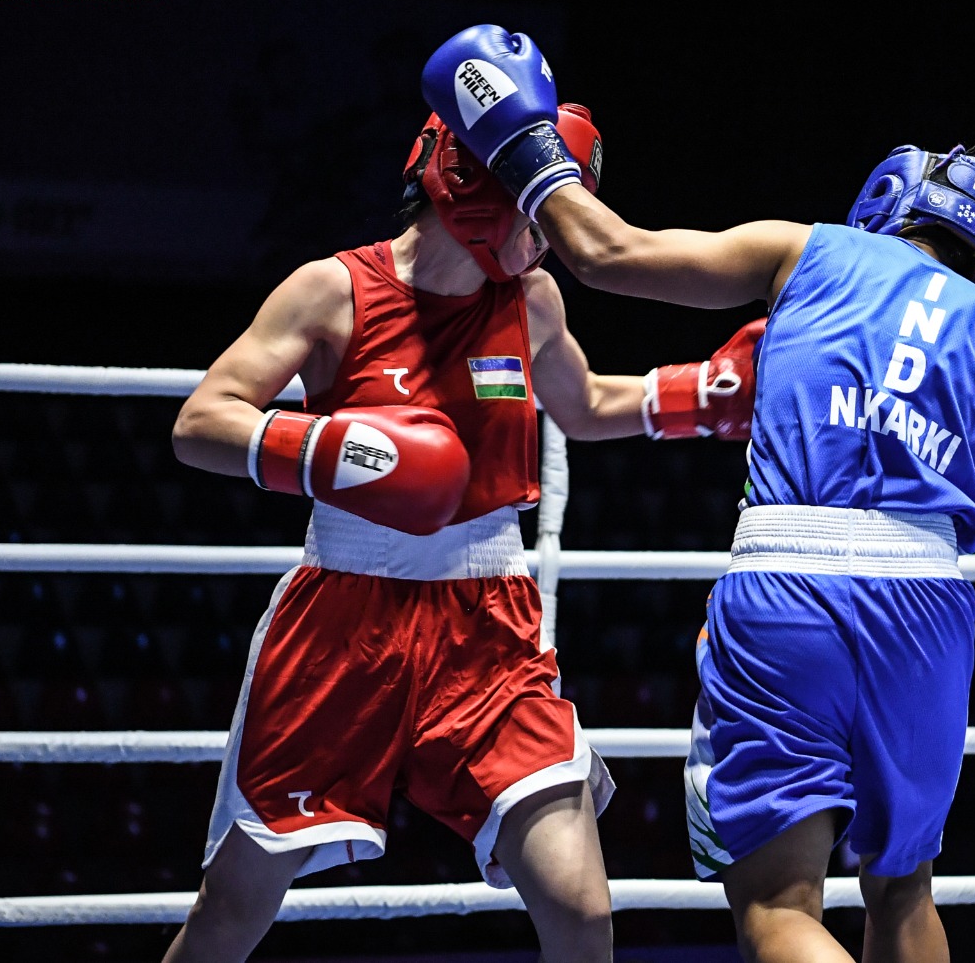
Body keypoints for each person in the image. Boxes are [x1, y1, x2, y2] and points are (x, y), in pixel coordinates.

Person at [419, 24, 975, 963]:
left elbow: (605, 254)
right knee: (905, 891)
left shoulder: (810, 252)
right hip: (930, 605)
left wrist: (516, 136)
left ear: (885, 199)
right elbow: (967, 482)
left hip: (796, 585)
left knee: (780, 909)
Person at [161, 103, 763, 963]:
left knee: (582, 910)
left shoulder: (532, 300)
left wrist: (700, 393)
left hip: (489, 628)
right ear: (476, 187)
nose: (553, 235)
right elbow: (201, 421)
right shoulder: (333, 289)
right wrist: (344, 447)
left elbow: (585, 405)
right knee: (233, 908)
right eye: (544, 209)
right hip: (342, 620)